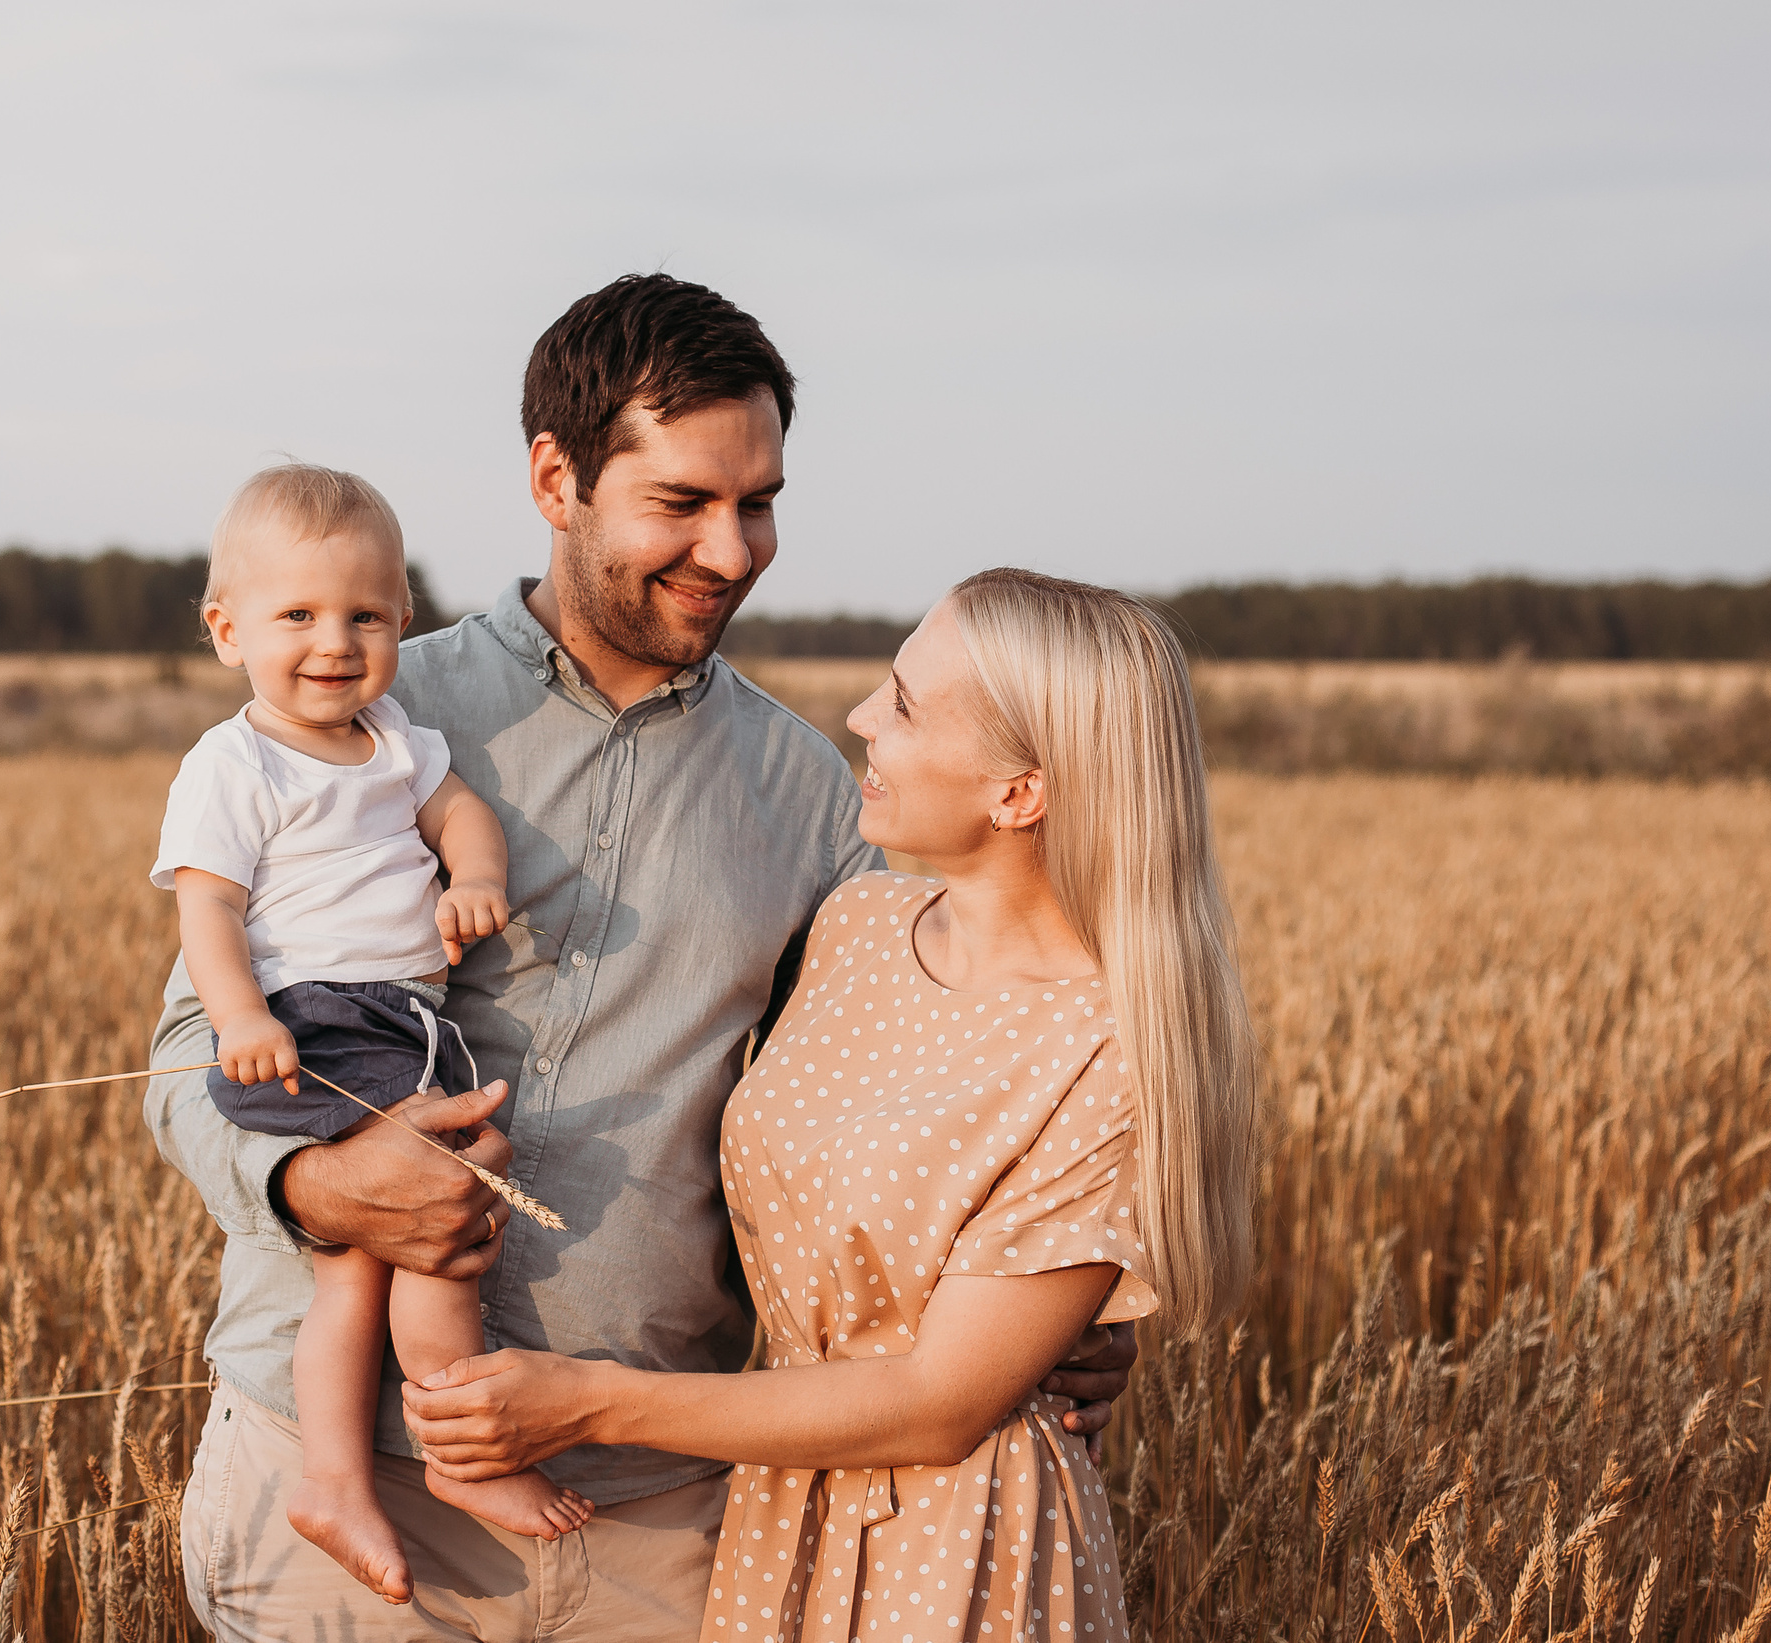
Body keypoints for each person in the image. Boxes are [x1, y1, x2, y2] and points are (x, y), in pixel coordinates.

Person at [147, 275, 1138, 1641]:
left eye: (761, 501)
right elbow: (184, 1053)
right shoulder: (369, 709)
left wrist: (1033, 1298)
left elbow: (884, 1104)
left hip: (661, 1518)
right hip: (348, 1486)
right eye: (682, 502)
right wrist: (316, 1178)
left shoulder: (812, 793)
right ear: (557, 477)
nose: (732, 550)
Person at [401, 568, 1260, 1643]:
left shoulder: (1106, 1045)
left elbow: (942, 1402)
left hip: (962, 1541)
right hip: (776, 1496)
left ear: (1018, 792)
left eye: (902, 703)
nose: (858, 717)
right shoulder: (857, 921)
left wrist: (584, 1397)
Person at [152, 463, 594, 1605]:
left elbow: (458, 814)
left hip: (407, 1022)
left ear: (403, 620)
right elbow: (205, 905)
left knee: (366, 1264)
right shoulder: (235, 760)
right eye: (296, 615)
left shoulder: (394, 736)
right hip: (314, 1023)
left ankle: (344, 1477)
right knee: (424, 1241)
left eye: (365, 614)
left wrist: (474, 880)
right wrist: (244, 1017)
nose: (333, 642)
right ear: (225, 628)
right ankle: (432, 1461)